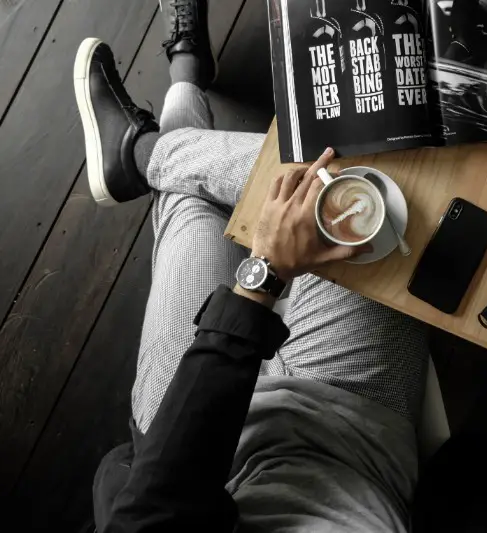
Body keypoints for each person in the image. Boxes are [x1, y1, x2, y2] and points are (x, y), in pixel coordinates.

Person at [77, 1, 429, 531]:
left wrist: (266, 272)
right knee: (367, 198)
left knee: (190, 205)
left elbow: (151, 502)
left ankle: (176, 86)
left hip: (189, 443)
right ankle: (147, 141)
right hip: (347, 436)